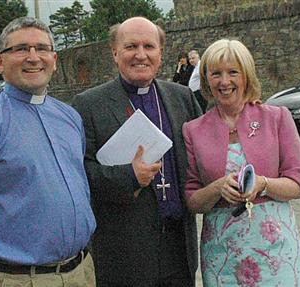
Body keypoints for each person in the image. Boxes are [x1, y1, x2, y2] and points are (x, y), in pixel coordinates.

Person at [0, 17, 96, 287]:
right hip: (19, 279)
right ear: (0, 61)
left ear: (54, 59)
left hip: (82, 272)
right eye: (21, 49)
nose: (33, 58)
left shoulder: (69, 116)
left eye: (42, 49)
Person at [72, 17, 201, 287]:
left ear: (160, 54)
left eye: (149, 47)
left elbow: (208, 145)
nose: (140, 55)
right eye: (131, 46)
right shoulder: (88, 105)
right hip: (123, 255)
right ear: (115, 53)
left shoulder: (182, 98)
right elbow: (79, 173)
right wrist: (128, 176)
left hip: (178, 249)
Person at [182, 39, 300, 286]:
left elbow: (298, 183)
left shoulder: (277, 118)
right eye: (215, 73)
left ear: (246, 76)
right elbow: (192, 200)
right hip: (222, 256)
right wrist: (217, 187)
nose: (224, 81)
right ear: (206, 79)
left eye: (233, 72)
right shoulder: (193, 130)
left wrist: (262, 184)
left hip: (276, 253)